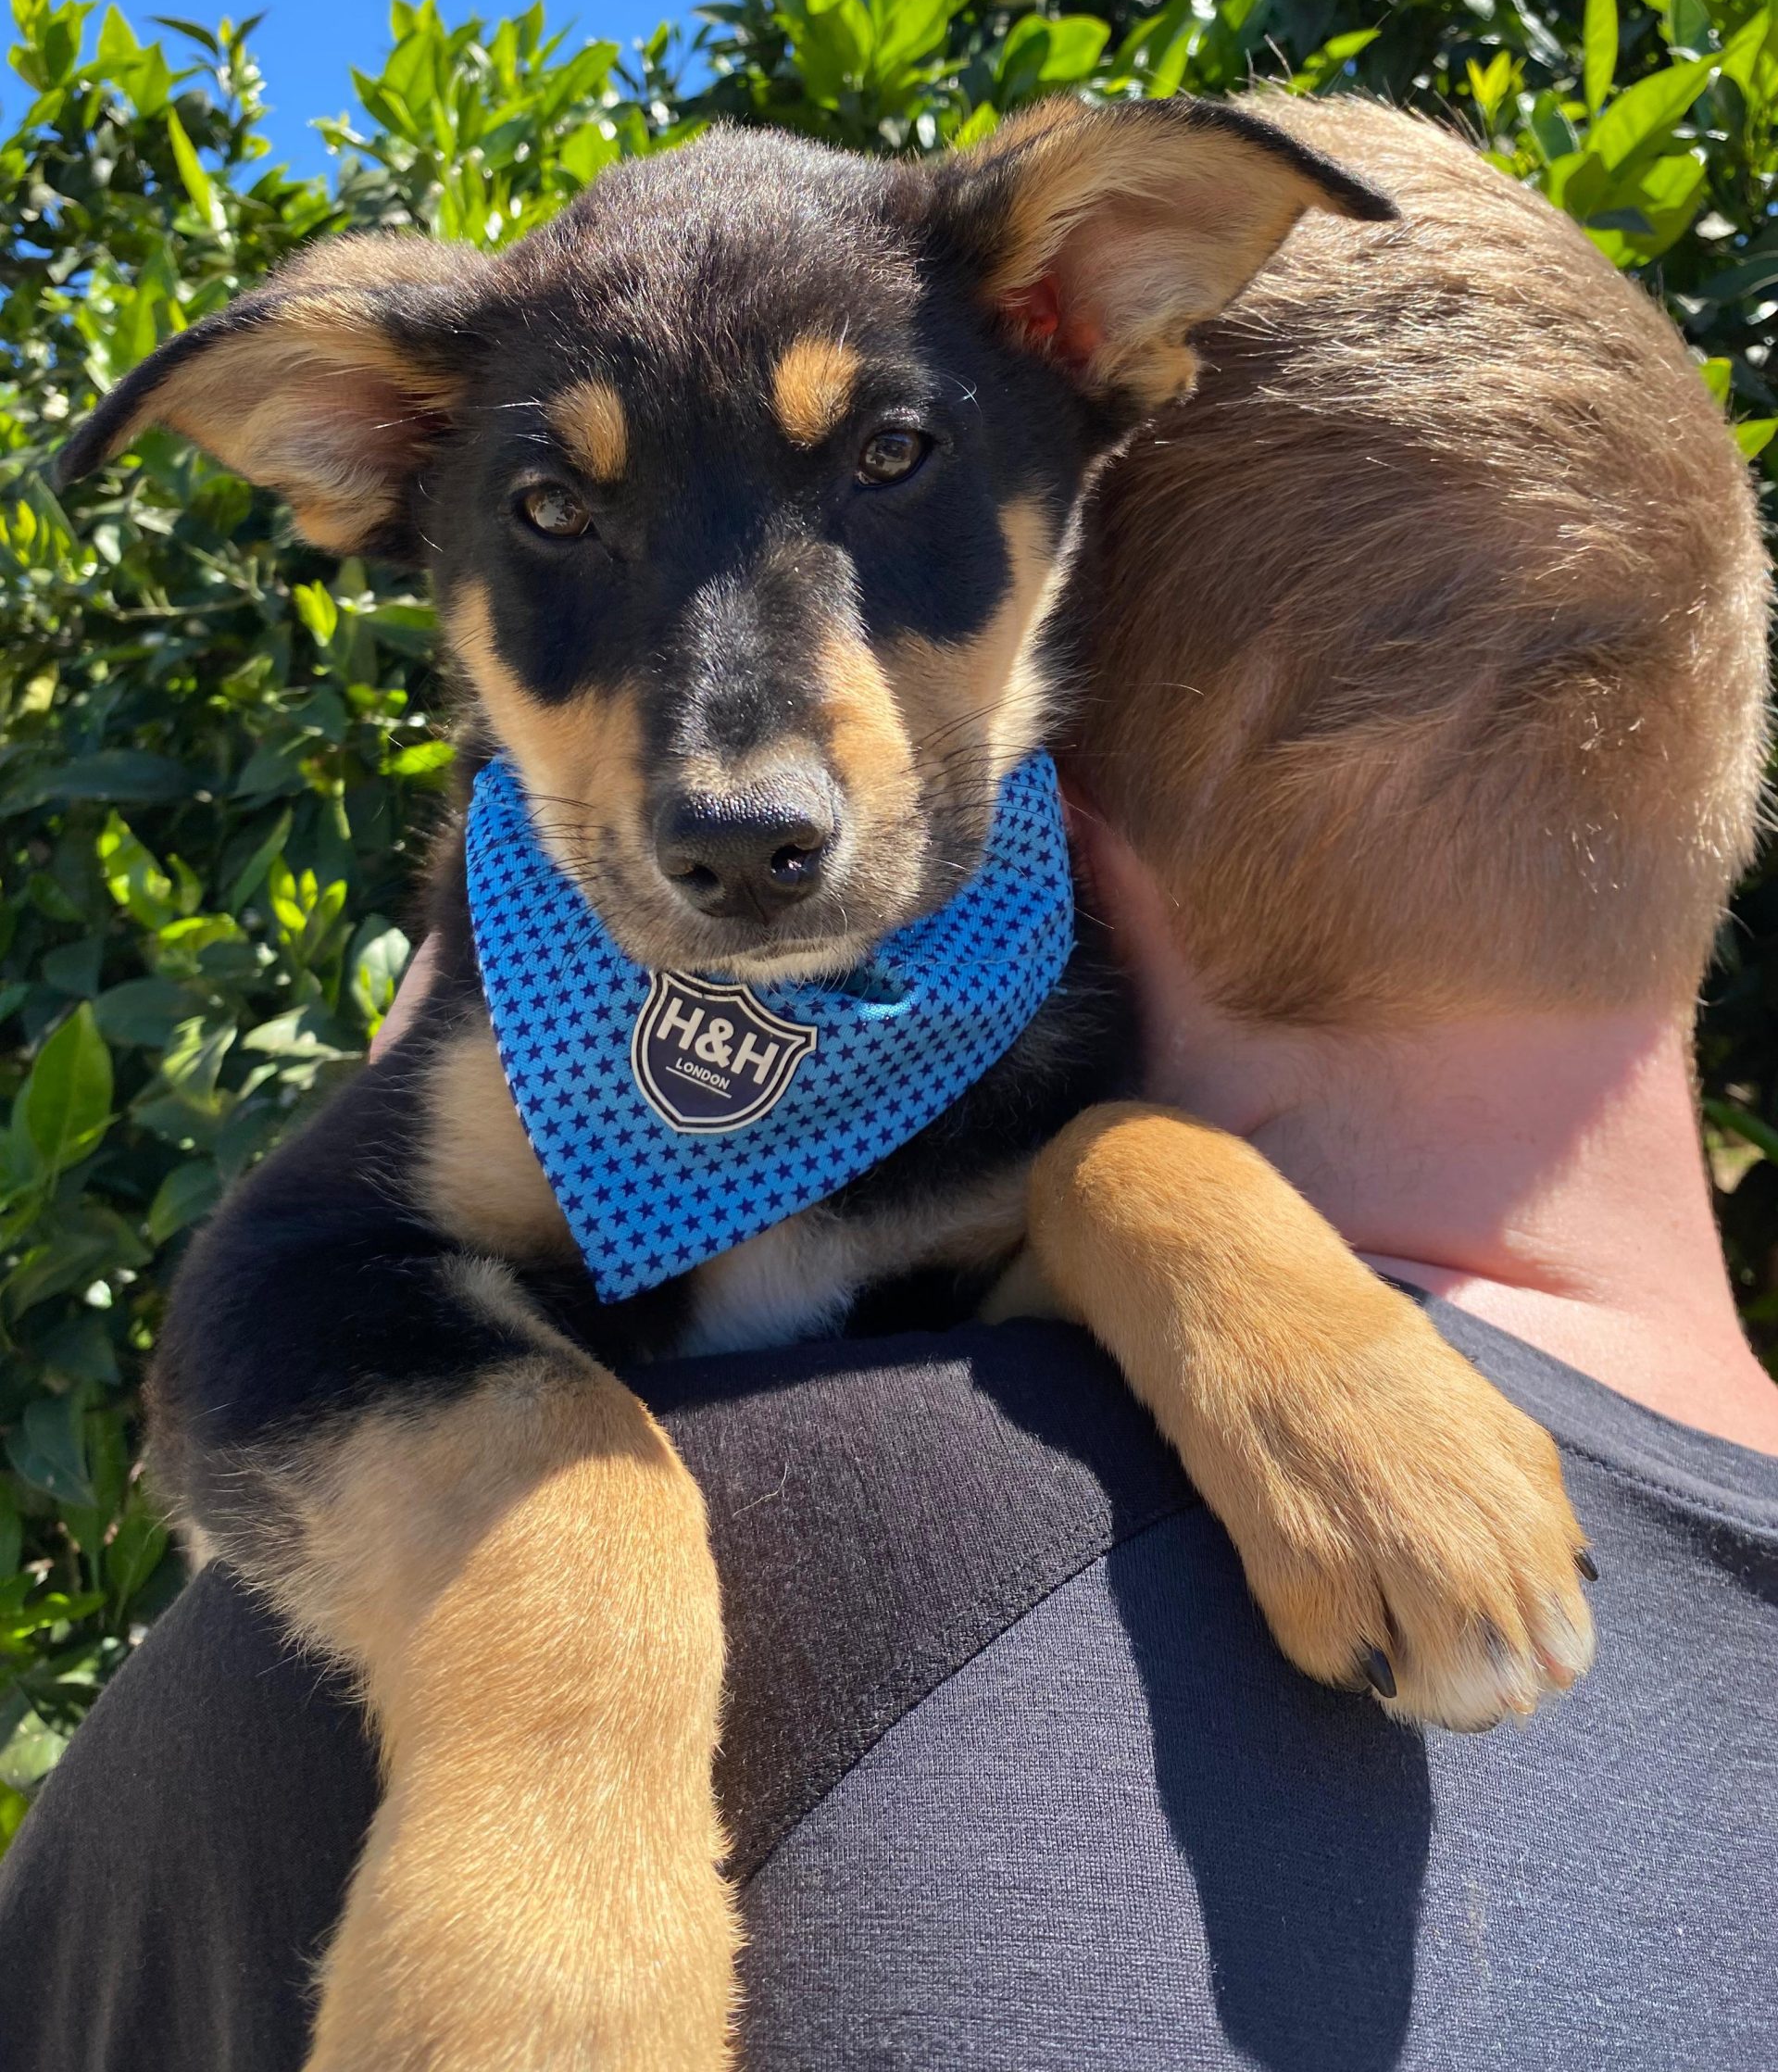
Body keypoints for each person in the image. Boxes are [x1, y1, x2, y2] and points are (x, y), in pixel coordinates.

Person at [3, 99, 1774, 2072]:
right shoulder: (519, 1004)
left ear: (1087, 322)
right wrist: (559, 1673)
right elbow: (272, 1329)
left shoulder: (1041, 1007)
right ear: (379, 454)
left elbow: (1033, 1209)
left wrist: (1185, 1227)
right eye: (560, 518)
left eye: (892, 459)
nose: (737, 773)